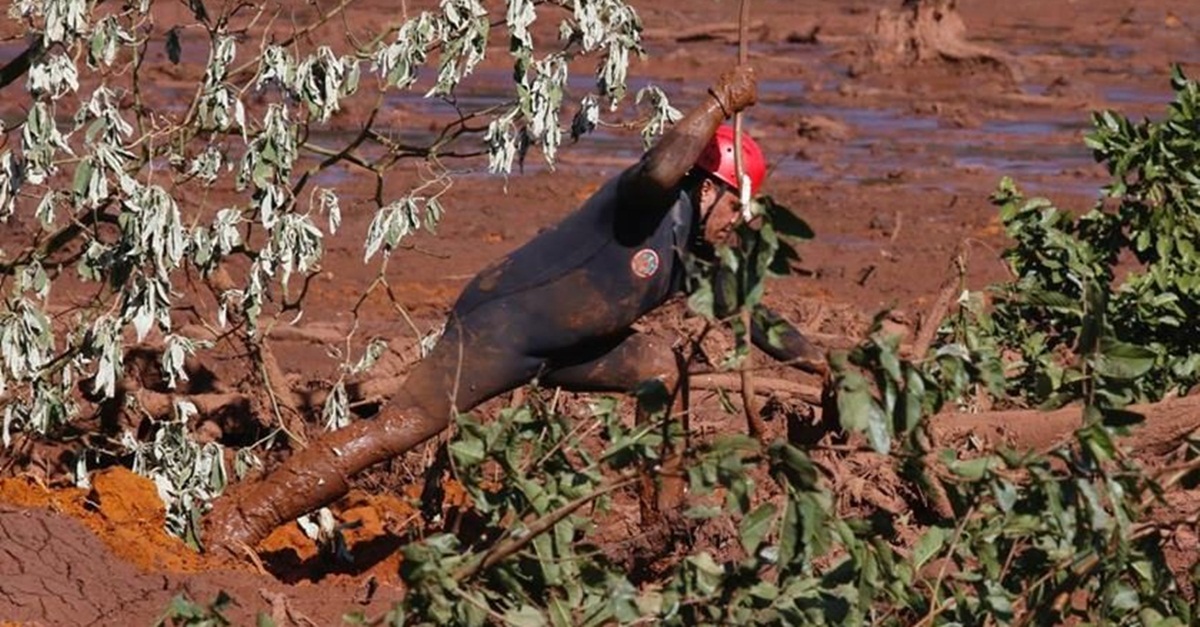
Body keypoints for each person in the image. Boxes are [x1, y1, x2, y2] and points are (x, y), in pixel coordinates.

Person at [204, 64, 825, 552]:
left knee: (663, 371)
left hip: (569, 349)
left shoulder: (695, 252)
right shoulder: (648, 202)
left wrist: (823, 364)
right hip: (502, 325)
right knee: (399, 430)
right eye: (736, 205)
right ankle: (245, 521)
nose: (741, 223)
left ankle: (659, 531)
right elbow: (663, 166)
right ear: (708, 188)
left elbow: (756, 318)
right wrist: (718, 103)